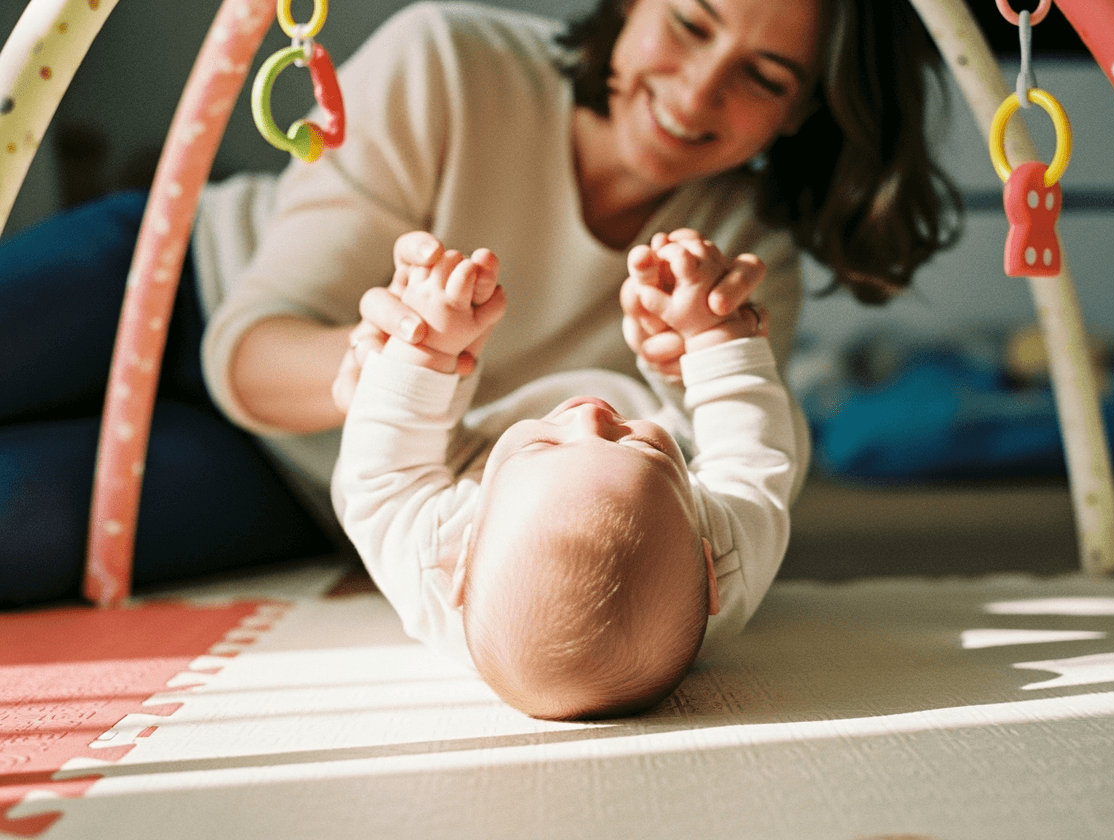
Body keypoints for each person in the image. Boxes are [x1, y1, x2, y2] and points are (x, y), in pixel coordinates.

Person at [0, 0, 959, 606]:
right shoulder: (449, 62)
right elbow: (250, 347)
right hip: (184, 281)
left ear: (800, 114)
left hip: (306, 483)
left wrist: (696, 366)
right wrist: (386, 367)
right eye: (691, 23)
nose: (698, 90)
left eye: (765, 76)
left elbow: (704, 509)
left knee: (21, 518)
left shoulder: (743, 269)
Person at [333, 228, 802, 719]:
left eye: (543, 446)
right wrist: (712, 338)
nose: (591, 417)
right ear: (710, 569)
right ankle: (669, 410)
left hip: (469, 455)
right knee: (781, 447)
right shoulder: (732, 560)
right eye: (639, 448)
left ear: (464, 561)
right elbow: (748, 456)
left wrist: (425, 352)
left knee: (377, 452)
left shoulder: (430, 559)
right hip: (687, 441)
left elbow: (384, 478)